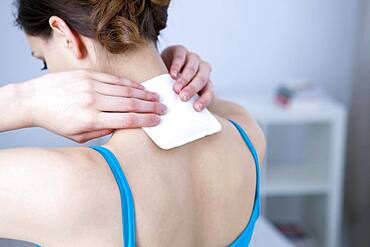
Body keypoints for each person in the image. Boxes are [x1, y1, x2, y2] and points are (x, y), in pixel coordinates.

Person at [0, 0, 266, 246]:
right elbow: (216, 107)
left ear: (64, 35)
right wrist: (177, 80)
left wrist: (23, 99)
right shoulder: (247, 136)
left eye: (44, 62)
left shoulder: (69, 186)